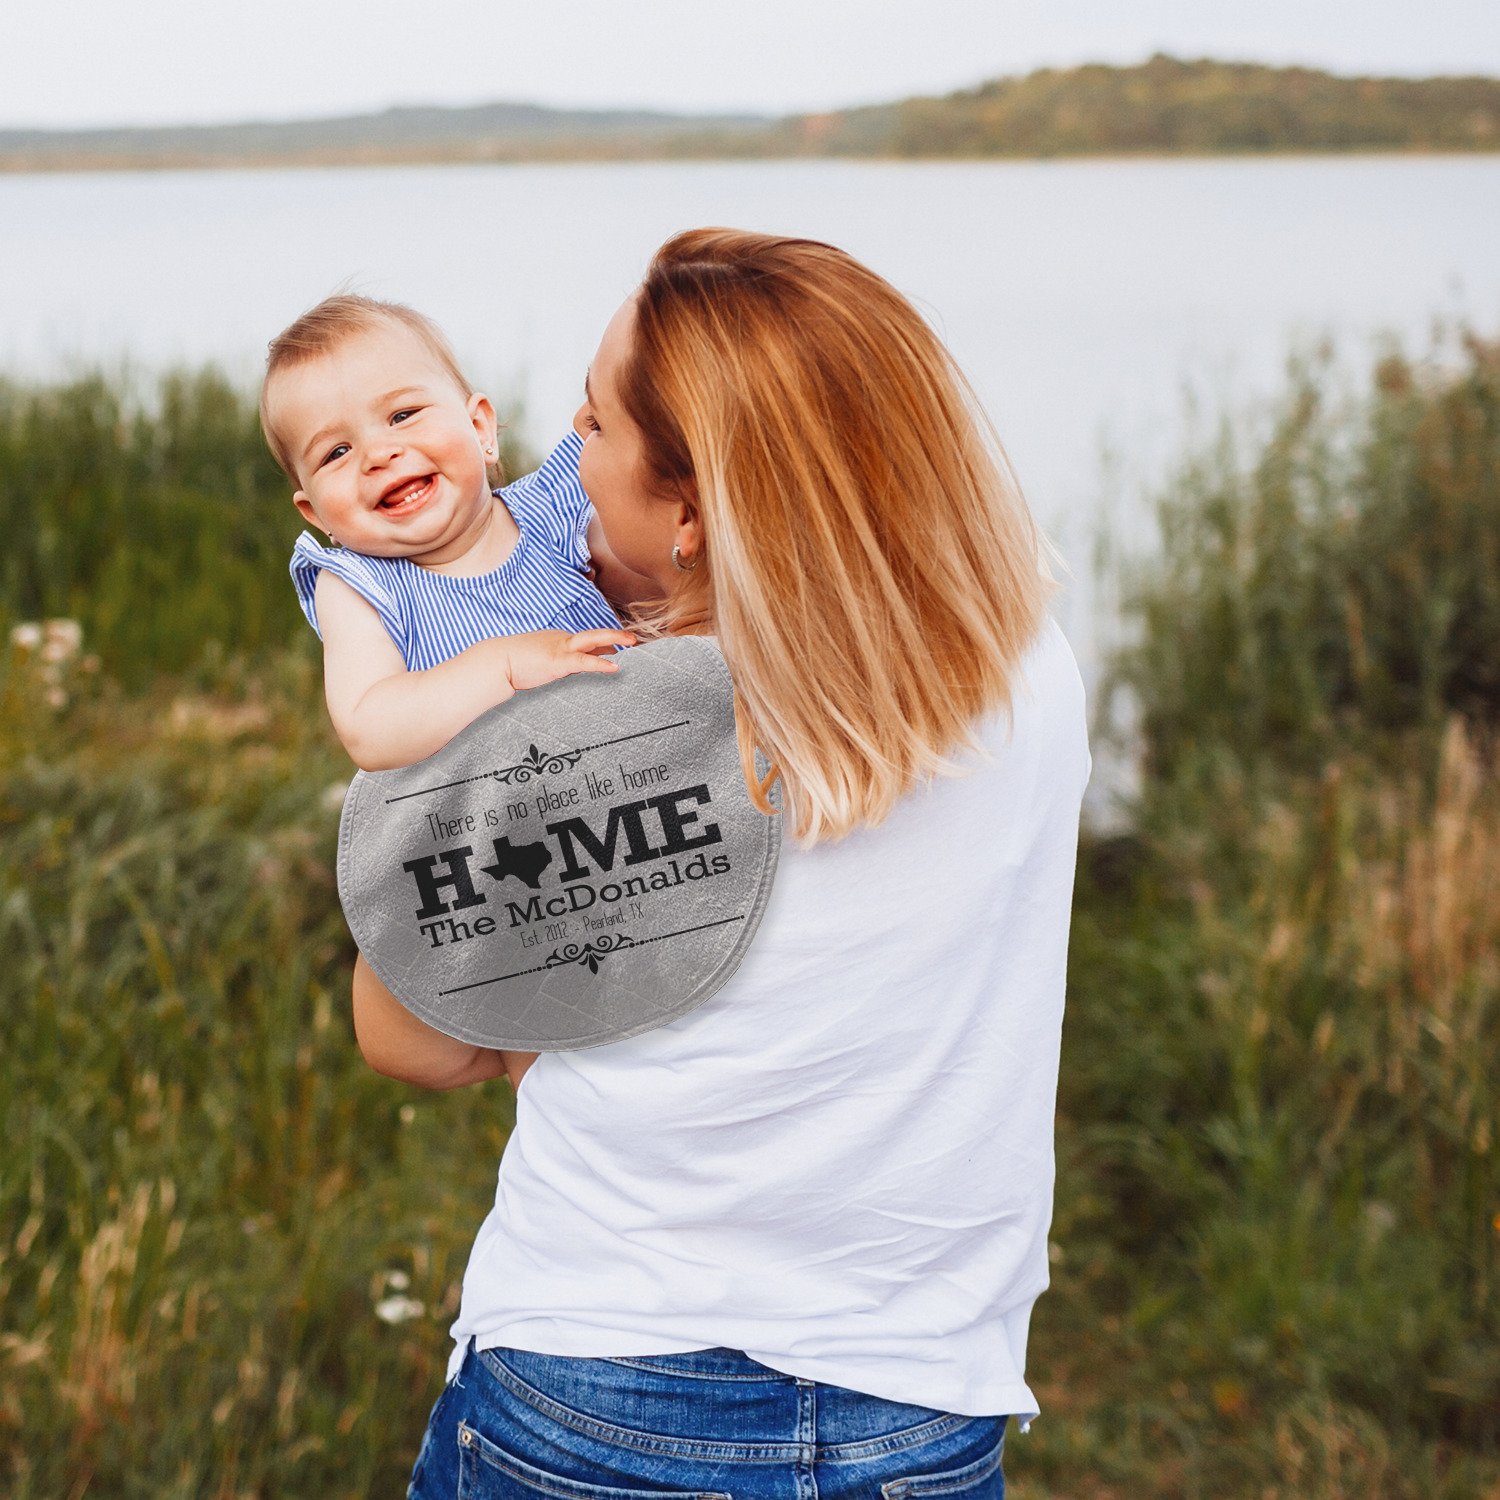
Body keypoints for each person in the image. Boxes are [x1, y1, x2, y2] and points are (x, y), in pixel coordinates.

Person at [365, 230, 1090, 1500]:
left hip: (597, 1391)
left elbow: (408, 1035)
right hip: (919, 1400)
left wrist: (459, 744)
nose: (568, 442)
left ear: (694, 511)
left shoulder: (611, 736)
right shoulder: (1027, 667)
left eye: (596, 421)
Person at [260, 294, 640, 776]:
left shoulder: (553, 510)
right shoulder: (359, 588)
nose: (377, 454)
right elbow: (369, 728)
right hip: (498, 816)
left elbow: (661, 556)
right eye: (336, 452)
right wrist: (503, 666)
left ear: (480, 427)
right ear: (316, 515)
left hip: (643, 775)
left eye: (402, 415)